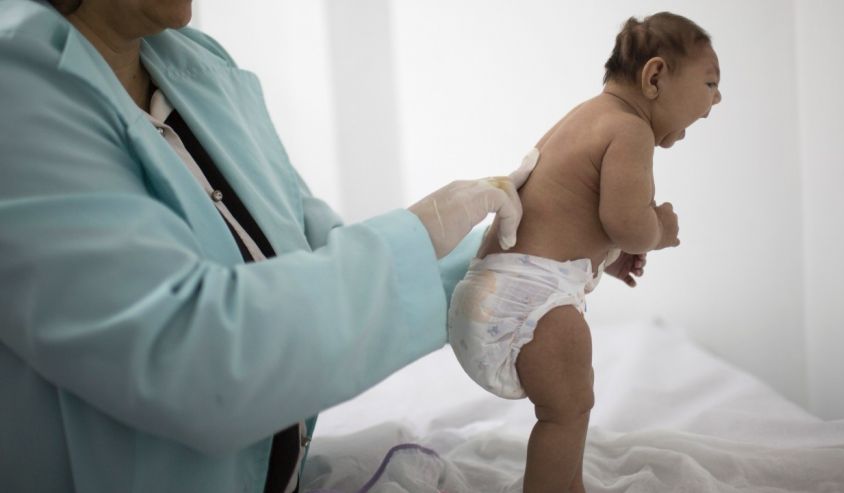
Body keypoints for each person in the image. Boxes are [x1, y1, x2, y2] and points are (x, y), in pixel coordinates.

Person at [0, 1, 537, 492]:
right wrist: (421, 232)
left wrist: (532, 247)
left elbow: (313, 257)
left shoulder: (192, 63)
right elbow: (197, 360)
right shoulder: (14, 81)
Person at [448, 12, 722, 493]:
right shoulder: (630, 130)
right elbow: (628, 223)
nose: (717, 98)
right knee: (568, 410)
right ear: (655, 77)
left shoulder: (586, 117)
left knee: (566, 406)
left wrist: (606, 257)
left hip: (490, 293)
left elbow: (563, 214)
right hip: (527, 300)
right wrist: (660, 229)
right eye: (710, 82)